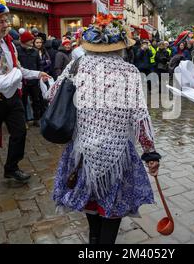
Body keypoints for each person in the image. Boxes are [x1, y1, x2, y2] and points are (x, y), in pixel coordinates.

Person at [49, 15, 161, 245]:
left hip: (82, 150)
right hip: (118, 152)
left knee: (91, 208)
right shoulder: (128, 71)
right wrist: (150, 152)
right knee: (112, 209)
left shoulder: (77, 65)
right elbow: (140, 116)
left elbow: (52, 95)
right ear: (120, 46)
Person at [0, 0, 50, 189]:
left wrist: (38, 74)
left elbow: (18, 69)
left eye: (7, 21)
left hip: (13, 97)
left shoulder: (9, 44)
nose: (6, 25)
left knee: (20, 132)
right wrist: (2, 80)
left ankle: (11, 167)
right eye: (2, 21)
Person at [18, 34, 43, 126]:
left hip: (34, 80)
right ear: (25, 41)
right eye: (30, 41)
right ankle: (24, 121)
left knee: (36, 100)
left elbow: (39, 64)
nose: (32, 42)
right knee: (23, 102)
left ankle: (37, 119)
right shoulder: (17, 51)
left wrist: (40, 74)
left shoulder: (35, 51)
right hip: (23, 81)